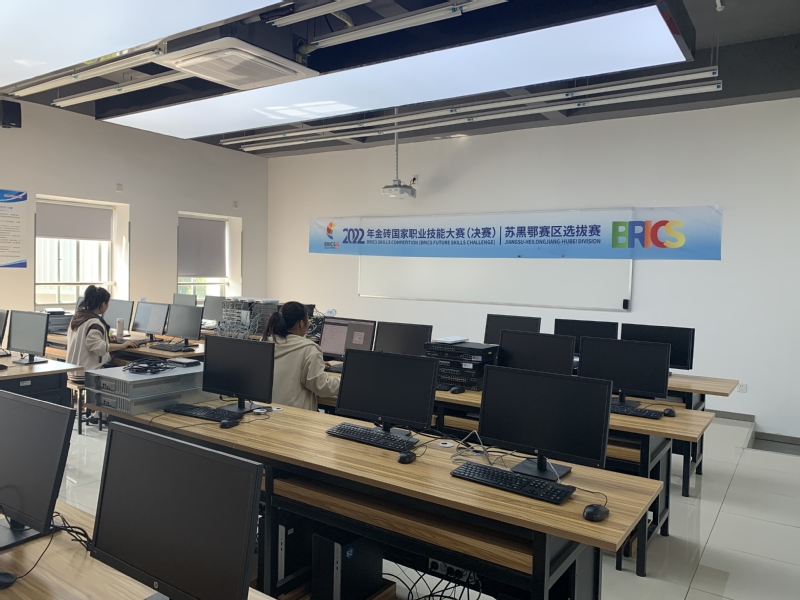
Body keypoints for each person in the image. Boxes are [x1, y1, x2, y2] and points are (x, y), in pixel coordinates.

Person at [262, 301, 339, 410]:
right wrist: (344, 381)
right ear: (301, 324)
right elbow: (322, 387)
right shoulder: (309, 349)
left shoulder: (264, 342)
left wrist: (316, 364)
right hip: (295, 414)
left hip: (264, 410)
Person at [67, 285, 138, 382]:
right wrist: (122, 346)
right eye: (107, 303)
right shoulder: (94, 322)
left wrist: (105, 338)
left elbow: (85, 340)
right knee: (127, 372)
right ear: (102, 304)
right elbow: (99, 347)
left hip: (72, 372)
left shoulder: (77, 317)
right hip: (87, 373)